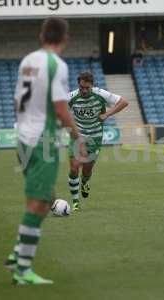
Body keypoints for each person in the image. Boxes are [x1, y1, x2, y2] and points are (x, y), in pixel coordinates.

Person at [3, 18, 87, 285]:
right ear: (65, 38)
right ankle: (23, 270)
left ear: (41, 36)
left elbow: (17, 100)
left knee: (43, 198)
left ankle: (17, 256)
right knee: (39, 203)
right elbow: (62, 109)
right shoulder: (57, 65)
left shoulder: (27, 60)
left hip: (24, 136)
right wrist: (77, 135)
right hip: (43, 140)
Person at [68, 71, 128, 211]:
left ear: (92, 86)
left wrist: (107, 114)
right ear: (79, 85)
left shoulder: (101, 94)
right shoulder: (71, 97)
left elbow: (124, 102)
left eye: (87, 88)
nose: (84, 90)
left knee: (87, 168)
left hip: (94, 138)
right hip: (77, 136)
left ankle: (85, 182)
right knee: (74, 167)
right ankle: (75, 202)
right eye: (81, 87)